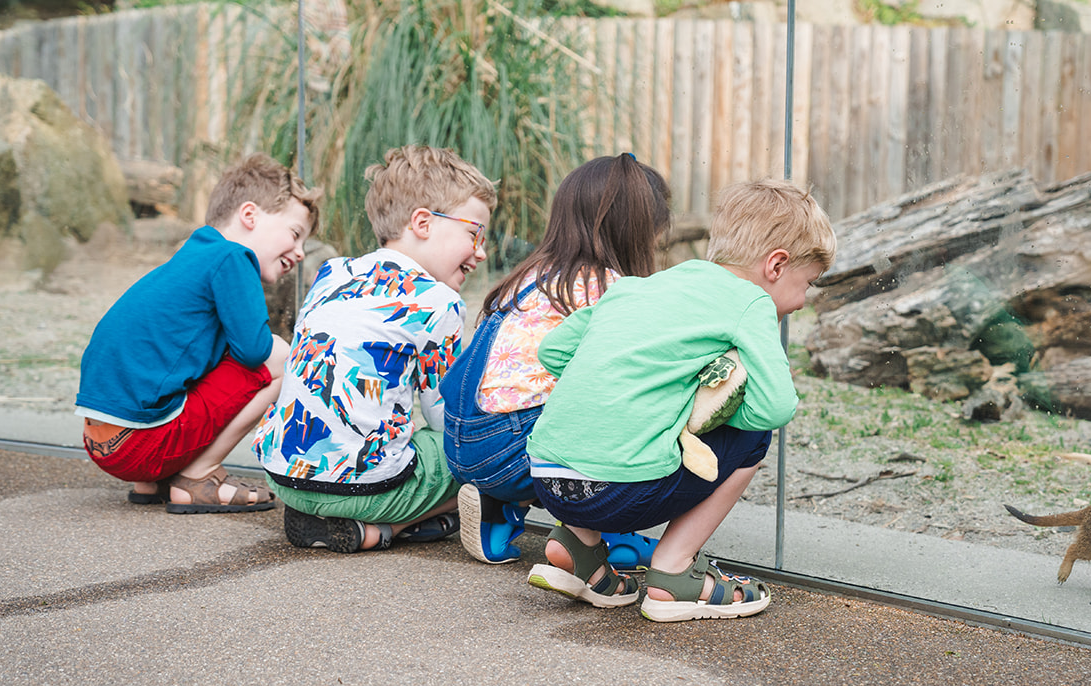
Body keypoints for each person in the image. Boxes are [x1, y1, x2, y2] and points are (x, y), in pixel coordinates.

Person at [525, 179, 835, 621]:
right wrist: (701, 415)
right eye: (808, 283)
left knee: (609, 429)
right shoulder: (749, 302)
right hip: (618, 493)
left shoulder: (638, 287)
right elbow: (776, 407)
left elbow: (551, 351)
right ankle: (673, 572)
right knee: (754, 438)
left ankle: (577, 546)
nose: (803, 301)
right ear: (776, 264)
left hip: (549, 482)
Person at [252, 145, 497, 552]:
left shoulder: (333, 275)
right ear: (422, 222)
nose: (482, 251)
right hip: (366, 490)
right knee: (480, 455)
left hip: (283, 477)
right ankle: (386, 528)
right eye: (474, 233)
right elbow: (444, 422)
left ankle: (325, 517)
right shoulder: (437, 301)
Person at [441, 153, 671, 569]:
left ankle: (499, 510)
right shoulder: (609, 288)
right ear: (635, 232)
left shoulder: (531, 275)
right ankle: (609, 535)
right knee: (627, 408)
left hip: (463, 442)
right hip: (515, 452)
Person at [76, 153, 318, 513]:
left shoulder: (193, 255)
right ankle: (197, 476)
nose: (299, 252)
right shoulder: (233, 258)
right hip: (140, 445)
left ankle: (155, 482)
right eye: (295, 234)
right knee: (281, 355)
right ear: (249, 216)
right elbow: (254, 353)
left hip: (102, 443)